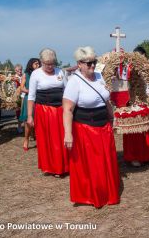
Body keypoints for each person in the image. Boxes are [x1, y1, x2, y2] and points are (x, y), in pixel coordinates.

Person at [63, 46, 120, 208]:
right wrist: (68, 134)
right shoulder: (74, 82)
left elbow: (106, 100)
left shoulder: (99, 76)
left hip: (104, 126)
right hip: (85, 129)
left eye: (94, 62)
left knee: (106, 161)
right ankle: (94, 196)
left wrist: (112, 117)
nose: (92, 66)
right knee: (92, 164)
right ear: (79, 64)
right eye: (88, 63)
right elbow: (67, 109)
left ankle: (108, 193)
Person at [27, 48, 69, 176]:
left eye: (52, 63)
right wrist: (29, 116)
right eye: (47, 64)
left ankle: (65, 165)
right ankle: (52, 167)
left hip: (61, 110)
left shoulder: (60, 72)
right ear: (41, 62)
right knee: (49, 140)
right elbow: (31, 96)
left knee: (62, 138)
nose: (50, 66)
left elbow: (67, 91)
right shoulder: (36, 74)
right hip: (44, 111)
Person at [122, 46, 149, 167]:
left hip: (144, 101)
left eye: (144, 57)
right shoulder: (128, 69)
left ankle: (146, 155)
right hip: (132, 102)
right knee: (133, 130)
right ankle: (133, 156)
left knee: (144, 130)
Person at [19, 58, 41, 151]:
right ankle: (26, 139)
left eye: (39, 64)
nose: (38, 65)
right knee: (29, 122)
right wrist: (30, 91)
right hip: (29, 99)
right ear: (31, 64)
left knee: (39, 120)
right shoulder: (26, 74)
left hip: (40, 99)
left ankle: (39, 139)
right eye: (36, 64)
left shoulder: (41, 74)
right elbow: (22, 88)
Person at [14, 64, 24, 134]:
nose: (19, 71)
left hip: (24, 95)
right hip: (18, 97)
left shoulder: (24, 76)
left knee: (24, 111)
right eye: (18, 70)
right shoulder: (13, 78)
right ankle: (19, 126)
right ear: (15, 70)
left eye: (20, 70)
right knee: (19, 112)